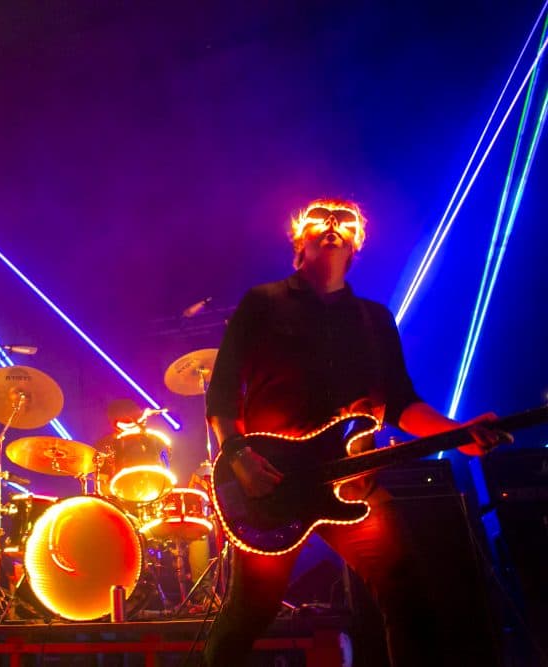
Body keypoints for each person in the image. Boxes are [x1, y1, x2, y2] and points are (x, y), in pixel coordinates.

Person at [202, 199, 508, 667]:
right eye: (318, 218)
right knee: (249, 613)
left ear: (356, 243)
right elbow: (221, 396)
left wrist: (458, 432)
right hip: (274, 484)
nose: (331, 224)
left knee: (410, 599)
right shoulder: (262, 302)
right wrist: (240, 459)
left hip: (353, 485)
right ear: (298, 243)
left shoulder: (375, 319)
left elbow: (401, 403)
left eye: (344, 220)